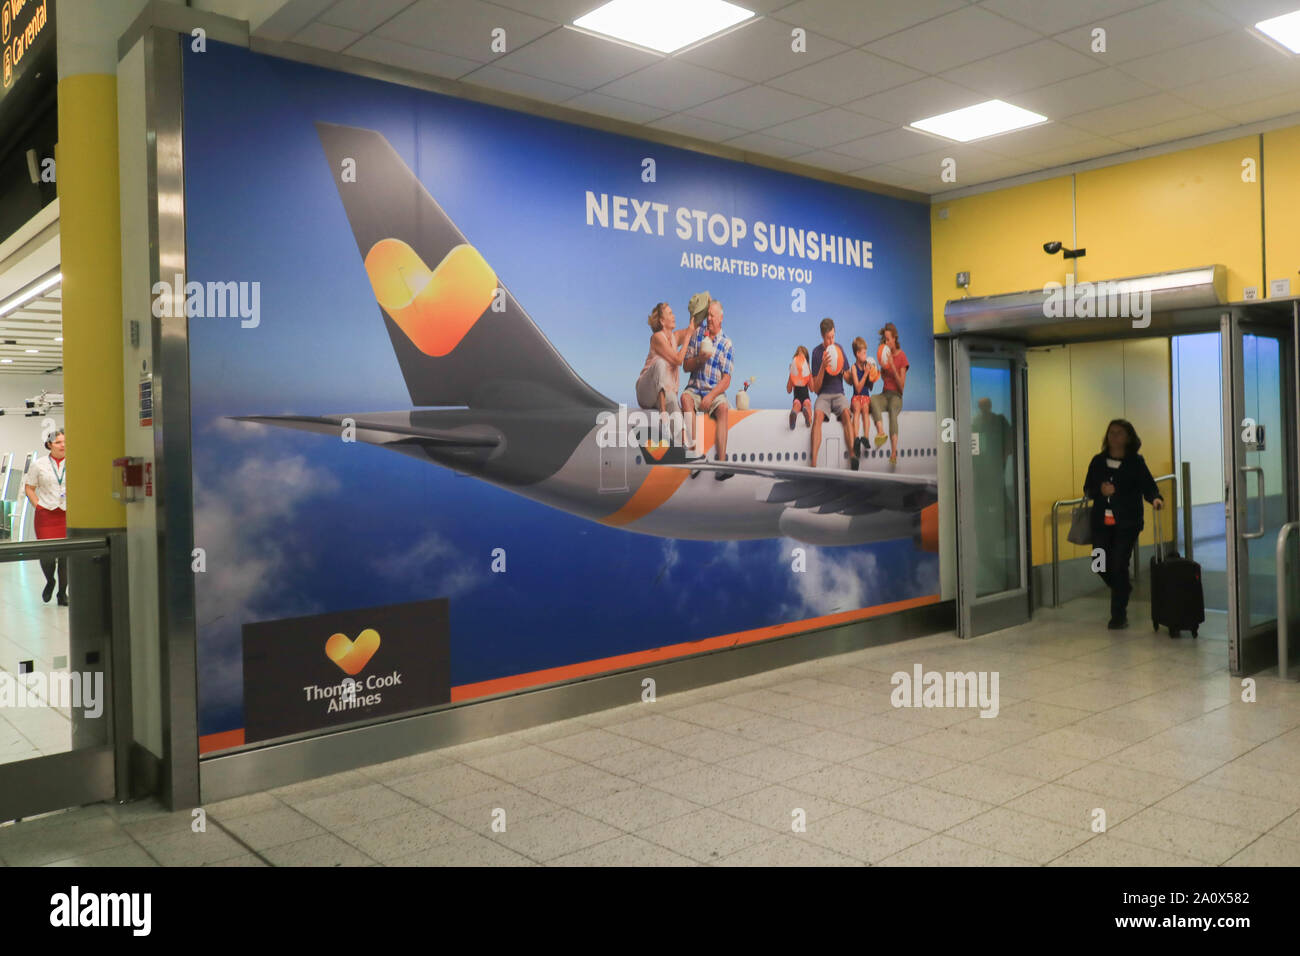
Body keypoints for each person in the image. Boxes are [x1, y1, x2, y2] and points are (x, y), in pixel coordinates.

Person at [1083, 419, 1164, 630]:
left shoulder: (1135, 462)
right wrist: (1100, 490)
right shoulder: (1098, 461)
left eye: (1119, 433)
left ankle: (1118, 615)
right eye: (1111, 433)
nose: (1114, 437)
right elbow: (1088, 488)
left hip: (1127, 523)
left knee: (1119, 563)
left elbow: (1148, 485)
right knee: (1098, 562)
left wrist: (1155, 498)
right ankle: (1123, 588)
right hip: (1102, 522)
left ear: (1128, 437)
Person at [681, 299, 734, 480]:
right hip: (695, 389)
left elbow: (726, 380)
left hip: (714, 391)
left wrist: (711, 396)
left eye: (712, 315)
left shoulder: (726, 344)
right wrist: (700, 360)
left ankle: (721, 465)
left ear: (721, 318)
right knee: (685, 399)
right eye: (708, 315)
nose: (709, 318)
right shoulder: (697, 335)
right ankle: (695, 458)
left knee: (724, 408)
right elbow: (686, 366)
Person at [635, 301, 691, 443]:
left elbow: (693, 329)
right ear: (662, 320)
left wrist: (698, 311)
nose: (674, 316)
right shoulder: (657, 337)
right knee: (660, 363)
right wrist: (688, 337)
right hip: (646, 390)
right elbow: (678, 360)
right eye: (670, 313)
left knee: (672, 399)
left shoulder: (675, 337)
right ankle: (664, 417)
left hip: (664, 393)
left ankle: (684, 445)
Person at [24, 429, 68, 606]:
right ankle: (50, 580)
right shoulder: (38, 464)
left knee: (66, 555)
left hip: (67, 513)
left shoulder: (75, 461)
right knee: (47, 555)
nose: (63, 445)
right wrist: (38, 505)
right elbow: (29, 487)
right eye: (58, 442)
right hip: (46, 515)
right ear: (49, 444)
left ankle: (62, 593)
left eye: (65, 441)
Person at [809, 317, 856, 469]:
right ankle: (814, 463)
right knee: (817, 418)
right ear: (822, 336)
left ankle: (853, 457)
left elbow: (849, 380)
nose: (831, 341)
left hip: (838, 393)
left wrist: (843, 370)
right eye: (828, 338)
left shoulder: (839, 349)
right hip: (824, 394)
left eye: (833, 337)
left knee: (846, 416)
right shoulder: (816, 353)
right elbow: (815, 388)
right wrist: (823, 366)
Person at [869, 322, 909, 466]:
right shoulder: (884, 355)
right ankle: (881, 433)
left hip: (896, 396)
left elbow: (902, 387)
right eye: (884, 340)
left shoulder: (902, 357)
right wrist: (872, 371)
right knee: (872, 399)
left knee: (893, 411)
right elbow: (879, 378)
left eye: (888, 339)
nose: (886, 342)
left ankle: (893, 452)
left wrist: (892, 364)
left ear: (894, 338)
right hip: (885, 394)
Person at [846, 336, 880, 456]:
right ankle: (856, 438)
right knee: (857, 410)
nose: (866, 355)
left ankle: (865, 437)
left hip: (866, 397)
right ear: (857, 353)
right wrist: (865, 374)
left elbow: (869, 388)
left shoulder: (867, 365)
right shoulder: (854, 368)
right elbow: (858, 388)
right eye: (864, 353)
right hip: (856, 396)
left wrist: (872, 377)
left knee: (865, 410)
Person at [786, 345, 812, 429]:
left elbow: (812, 389)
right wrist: (791, 373)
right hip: (797, 398)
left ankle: (808, 418)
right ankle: (793, 417)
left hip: (805, 398)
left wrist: (809, 372)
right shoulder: (794, 374)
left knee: (807, 404)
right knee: (796, 405)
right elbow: (789, 390)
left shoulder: (807, 373)